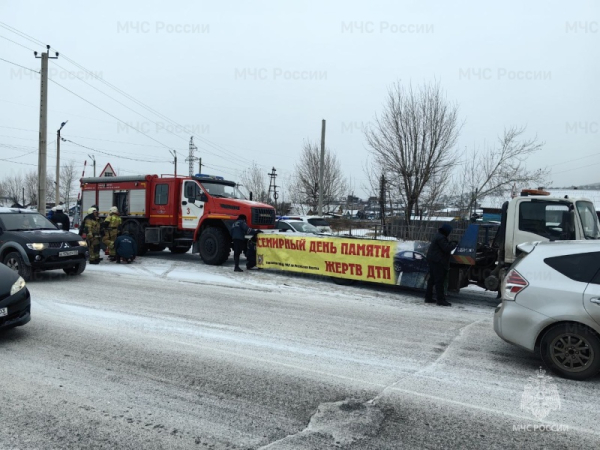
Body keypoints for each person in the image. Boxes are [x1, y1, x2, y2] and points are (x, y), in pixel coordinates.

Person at [425, 223, 457, 307]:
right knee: (439, 281)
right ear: (446, 231)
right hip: (438, 261)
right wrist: (454, 243)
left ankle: (428, 297)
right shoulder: (441, 237)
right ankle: (440, 300)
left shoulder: (438, 236)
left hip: (433, 260)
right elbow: (446, 248)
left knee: (432, 280)